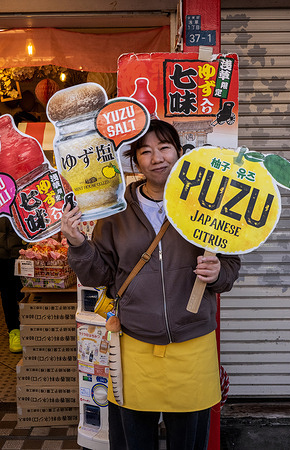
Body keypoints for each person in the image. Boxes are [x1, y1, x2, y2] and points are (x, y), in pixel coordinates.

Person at [61, 119, 241, 450]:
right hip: (134, 344)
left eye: (164, 147)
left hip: (192, 344)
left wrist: (218, 272)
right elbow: (99, 275)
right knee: (133, 441)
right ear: (136, 161)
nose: (157, 157)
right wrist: (78, 245)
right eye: (146, 151)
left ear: (179, 152)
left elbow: (230, 266)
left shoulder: (205, 203)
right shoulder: (116, 212)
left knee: (188, 441)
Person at [0, 216, 26, 353]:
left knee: (24, 292)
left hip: (22, 250)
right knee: (6, 291)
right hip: (1, 253)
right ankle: (14, 330)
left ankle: (29, 327)